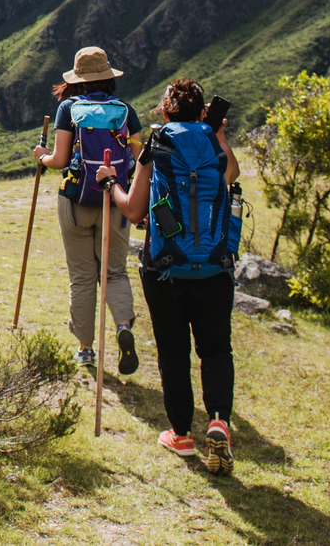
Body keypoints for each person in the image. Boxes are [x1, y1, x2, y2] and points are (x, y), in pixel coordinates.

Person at [96, 78, 240, 475]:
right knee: (215, 350)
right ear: (202, 112)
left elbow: (133, 209)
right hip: (214, 267)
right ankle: (218, 422)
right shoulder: (214, 144)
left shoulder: (156, 147)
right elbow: (230, 176)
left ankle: (181, 435)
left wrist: (110, 182)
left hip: (165, 269)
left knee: (174, 352)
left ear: (165, 110)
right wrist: (218, 133)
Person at [32, 46, 143, 372]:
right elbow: (137, 162)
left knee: (82, 277)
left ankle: (85, 350)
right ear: (108, 78)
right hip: (117, 199)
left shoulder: (69, 108)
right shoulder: (126, 111)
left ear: (77, 80)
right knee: (115, 272)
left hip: (77, 201)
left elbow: (60, 160)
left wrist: (41, 156)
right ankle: (123, 327)